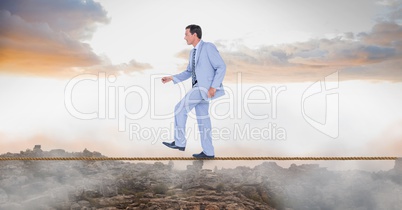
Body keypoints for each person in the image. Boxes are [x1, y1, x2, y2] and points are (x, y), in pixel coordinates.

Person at [161, 24, 226, 158]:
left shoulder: (208, 47)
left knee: (180, 108)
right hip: (200, 90)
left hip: (204, 88)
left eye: (186, 34)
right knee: (203, 121)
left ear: (194, 35)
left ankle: (180, 142)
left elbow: (221, 67)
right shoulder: (192, 53)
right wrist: (172, 78)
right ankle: (209, 152)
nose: (184, 37)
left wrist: (214, 86)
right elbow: (189, 72)